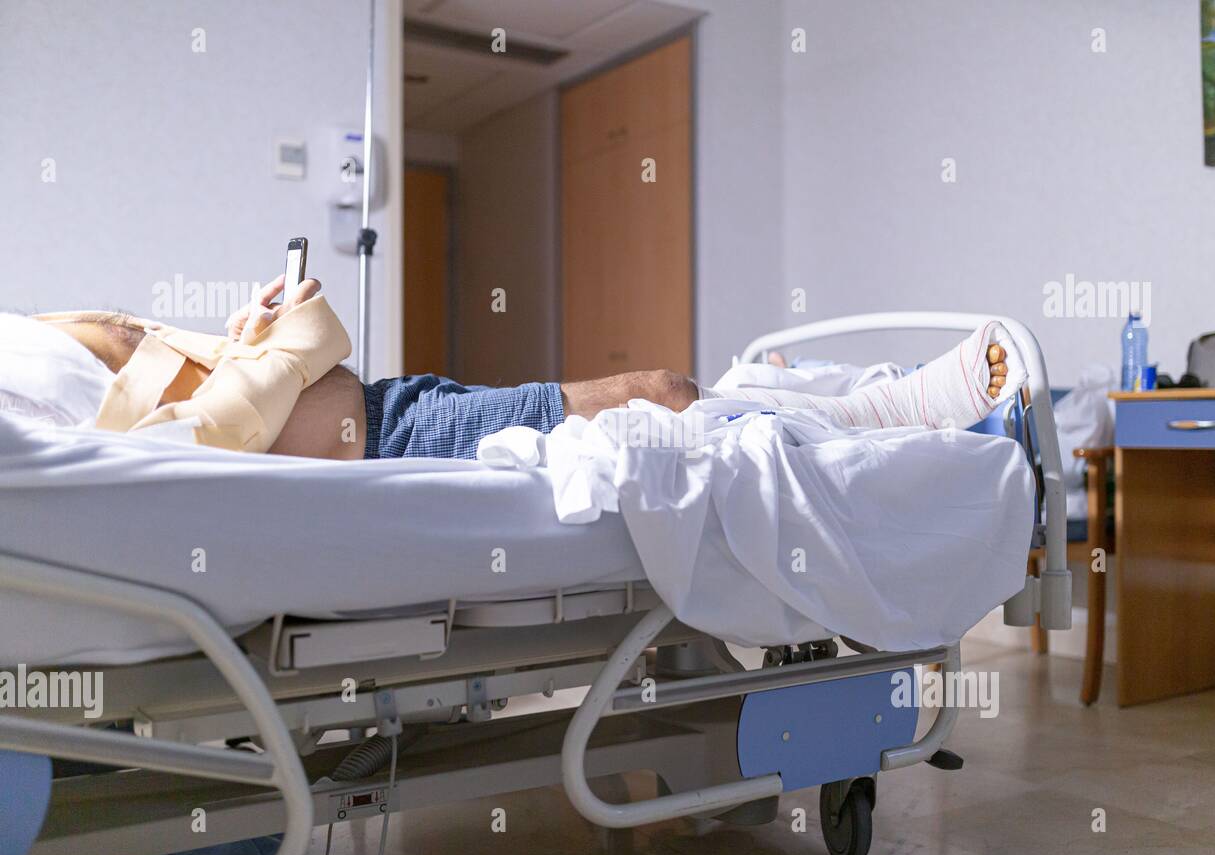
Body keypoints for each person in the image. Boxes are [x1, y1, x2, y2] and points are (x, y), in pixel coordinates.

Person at [24, 276, 1015, 461]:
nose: (120, 328)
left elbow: (254, 381)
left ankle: (862, 400)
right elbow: (209, 435)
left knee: (682, 395)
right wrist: (280, 346)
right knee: (667, 395)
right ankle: (905, 408)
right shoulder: (38, 419)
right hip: (401, 443)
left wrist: (249, 336)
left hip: (394, 405)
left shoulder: (30, 348)